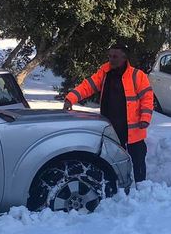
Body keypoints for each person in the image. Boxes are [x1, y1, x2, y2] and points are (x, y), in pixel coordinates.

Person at [64, 44, 153, 183]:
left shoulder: (137, 75)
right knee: (114, 159)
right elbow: (88, 86)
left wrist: (145, 118)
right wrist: (71, 98)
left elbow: (147, 98)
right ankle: (119, 185)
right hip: (111, 127)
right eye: (110, 56)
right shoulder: (104, 73)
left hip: (133, 129)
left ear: (124, 58)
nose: (111, 59)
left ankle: (141, 186)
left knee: (138, 158)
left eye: (115, 56)